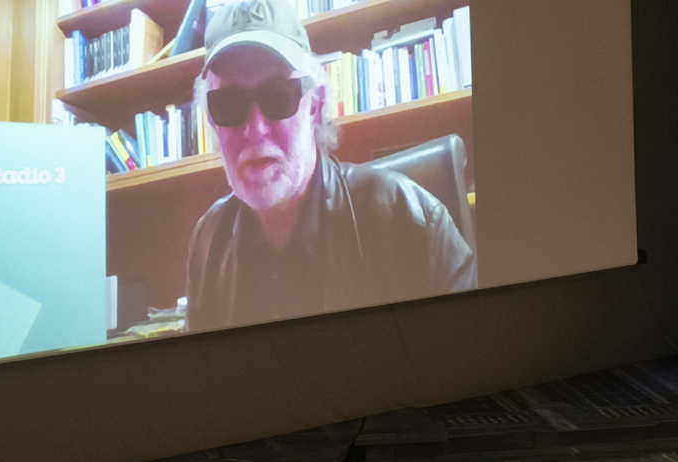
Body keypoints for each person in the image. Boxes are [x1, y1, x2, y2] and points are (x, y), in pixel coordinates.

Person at [186, 0, 476, 332]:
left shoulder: (414, 225)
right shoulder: (208, 242)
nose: (255, 128)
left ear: (315, 105)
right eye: (228, 104)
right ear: (211, 120)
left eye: (278, 96)